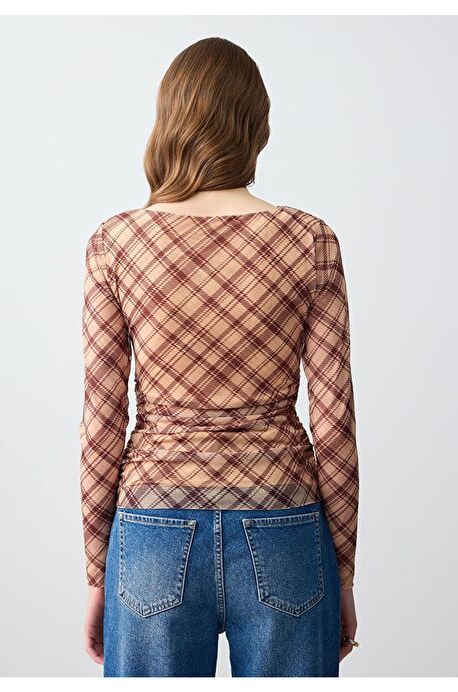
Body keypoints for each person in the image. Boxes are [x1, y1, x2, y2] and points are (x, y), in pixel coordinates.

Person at [79, 36, 359, 677]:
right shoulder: (309, 240)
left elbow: (101, 420)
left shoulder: (116, 243)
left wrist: (98, 570)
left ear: (169, 120)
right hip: (285, 520)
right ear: (257, 126)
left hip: (152, 525)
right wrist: (342, 570)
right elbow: (335, 422)